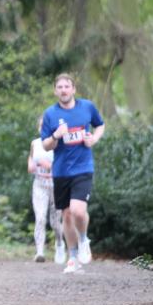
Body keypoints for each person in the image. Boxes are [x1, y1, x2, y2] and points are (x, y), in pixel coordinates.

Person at [40, 74, 104, 274]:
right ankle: (73, 257)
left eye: (67, 86)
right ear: (55, 91)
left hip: (83, 168)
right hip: (61, 171)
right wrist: (55, 136)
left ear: (74, 89)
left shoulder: (87, 107)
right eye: (59, 87)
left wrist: (93, 139)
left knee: (77, 210)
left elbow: (100, 125)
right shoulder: (50, 114)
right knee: (66, 215)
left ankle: (84, 239)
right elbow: (45, 144)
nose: (63, 90)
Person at [28, 116, 65, 264]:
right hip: (39, 185)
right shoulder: (35, 143)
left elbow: (65, 165)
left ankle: (60, 244)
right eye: (42, 126)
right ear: (39, 128)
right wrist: (30, 165)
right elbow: (31, 158)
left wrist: (50, 166)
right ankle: (40, 252)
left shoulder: (59, 144)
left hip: (56, 186)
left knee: (55, 223)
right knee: (40, 218)